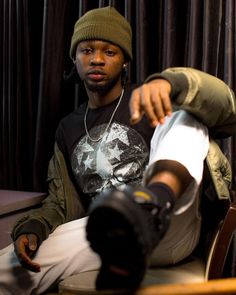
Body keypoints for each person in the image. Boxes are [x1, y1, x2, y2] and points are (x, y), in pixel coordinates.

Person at [0, 5, 235, 294]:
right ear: (74, 58)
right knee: (7, 268)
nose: (96, 59)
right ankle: (125, 242)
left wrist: (171, 83)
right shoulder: (67, 128)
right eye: (87, 50)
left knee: (184, 113)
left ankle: (150, 204)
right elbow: (60, 203)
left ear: (125, 60)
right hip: (109, 232)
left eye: (109, 52)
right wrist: (34, 225)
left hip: (172, 226)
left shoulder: (151, 97)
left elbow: (228, 111)